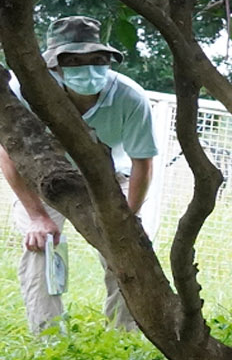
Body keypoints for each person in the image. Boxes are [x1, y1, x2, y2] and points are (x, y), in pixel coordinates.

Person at [1, 17, 155, 334]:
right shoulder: (25, 92)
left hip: (111, 181)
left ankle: (123, 340)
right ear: (54, 66)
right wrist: (37, 216)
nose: (86, 69)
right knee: (41, 247)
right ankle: (49, 341)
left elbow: (142, 163)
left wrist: (127, 216)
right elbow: (8, 154)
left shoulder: (130, 97)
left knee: (127, 254)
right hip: (44, 180)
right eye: (73, 61)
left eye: (96, 60)